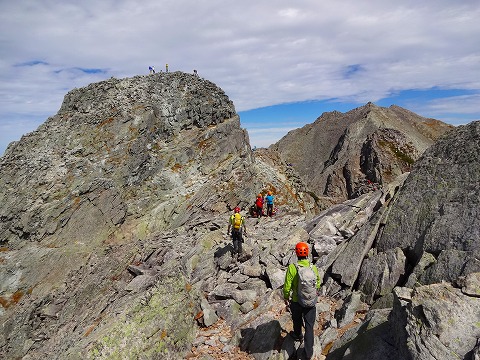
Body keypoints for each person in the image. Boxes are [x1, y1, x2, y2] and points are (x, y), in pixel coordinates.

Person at [283, 242, 321, 360]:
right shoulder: (312, 267)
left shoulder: (292, 267)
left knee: (296, 319)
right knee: (309, 326)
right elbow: (318, 283)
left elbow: (287, 286)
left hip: (296, 300)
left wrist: (286, 296)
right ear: (307, 253)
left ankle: (298, 334)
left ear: (296, 253)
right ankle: (308, 353)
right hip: (310, 301)